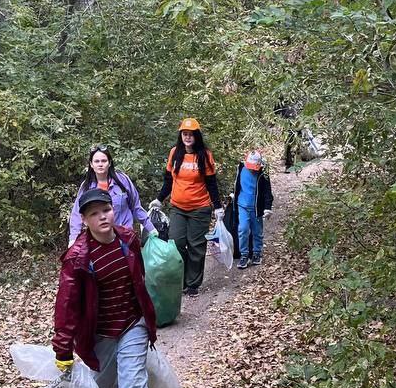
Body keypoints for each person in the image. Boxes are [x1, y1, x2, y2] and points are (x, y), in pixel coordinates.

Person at [53, 187, 158, 388]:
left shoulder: (128, 239)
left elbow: (139, 280)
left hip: (131, 325)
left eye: (106, 210)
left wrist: (148, 318)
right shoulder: (77, 258)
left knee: (133, 386)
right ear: (84, 220)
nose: (103, 217)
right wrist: (62, 349)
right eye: (94, 214)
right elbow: (67, 305)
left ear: (114, 210)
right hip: (98, 334)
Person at [150, 118, 224, 297]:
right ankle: (180, 280)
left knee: (196, 246)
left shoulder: (204, 155)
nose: (188, 137)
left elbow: (211, 183)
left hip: (200, 208)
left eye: (191, 134)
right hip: (178, 207)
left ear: (196, 136)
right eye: (185, 134)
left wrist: (218, 207)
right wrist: (159, 199)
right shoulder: (175, 153)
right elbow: (168, 179)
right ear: (181, 135)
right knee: (176, 242)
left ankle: (192, 284)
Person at [69, 145, 155, 245]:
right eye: (96, 161)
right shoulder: (87, 187)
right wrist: (73, 239)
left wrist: (151, 228)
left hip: (125, 236)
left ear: (109, 163)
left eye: (103, 161)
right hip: (100, 240)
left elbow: (136, 207)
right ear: (91, 164)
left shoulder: (122, 180)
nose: (100, 164)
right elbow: (77, 214)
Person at [231, 150, 273, 269]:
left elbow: (267, 191)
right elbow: (236, 184)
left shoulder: (263, 173)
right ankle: (244, 255)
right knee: (242, 229)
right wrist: (232, 194)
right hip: (242, 205)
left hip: (256, 207)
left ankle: (256, 253)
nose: (252, 169)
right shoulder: (240, 168)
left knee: (257, 232)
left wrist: (267, 208)